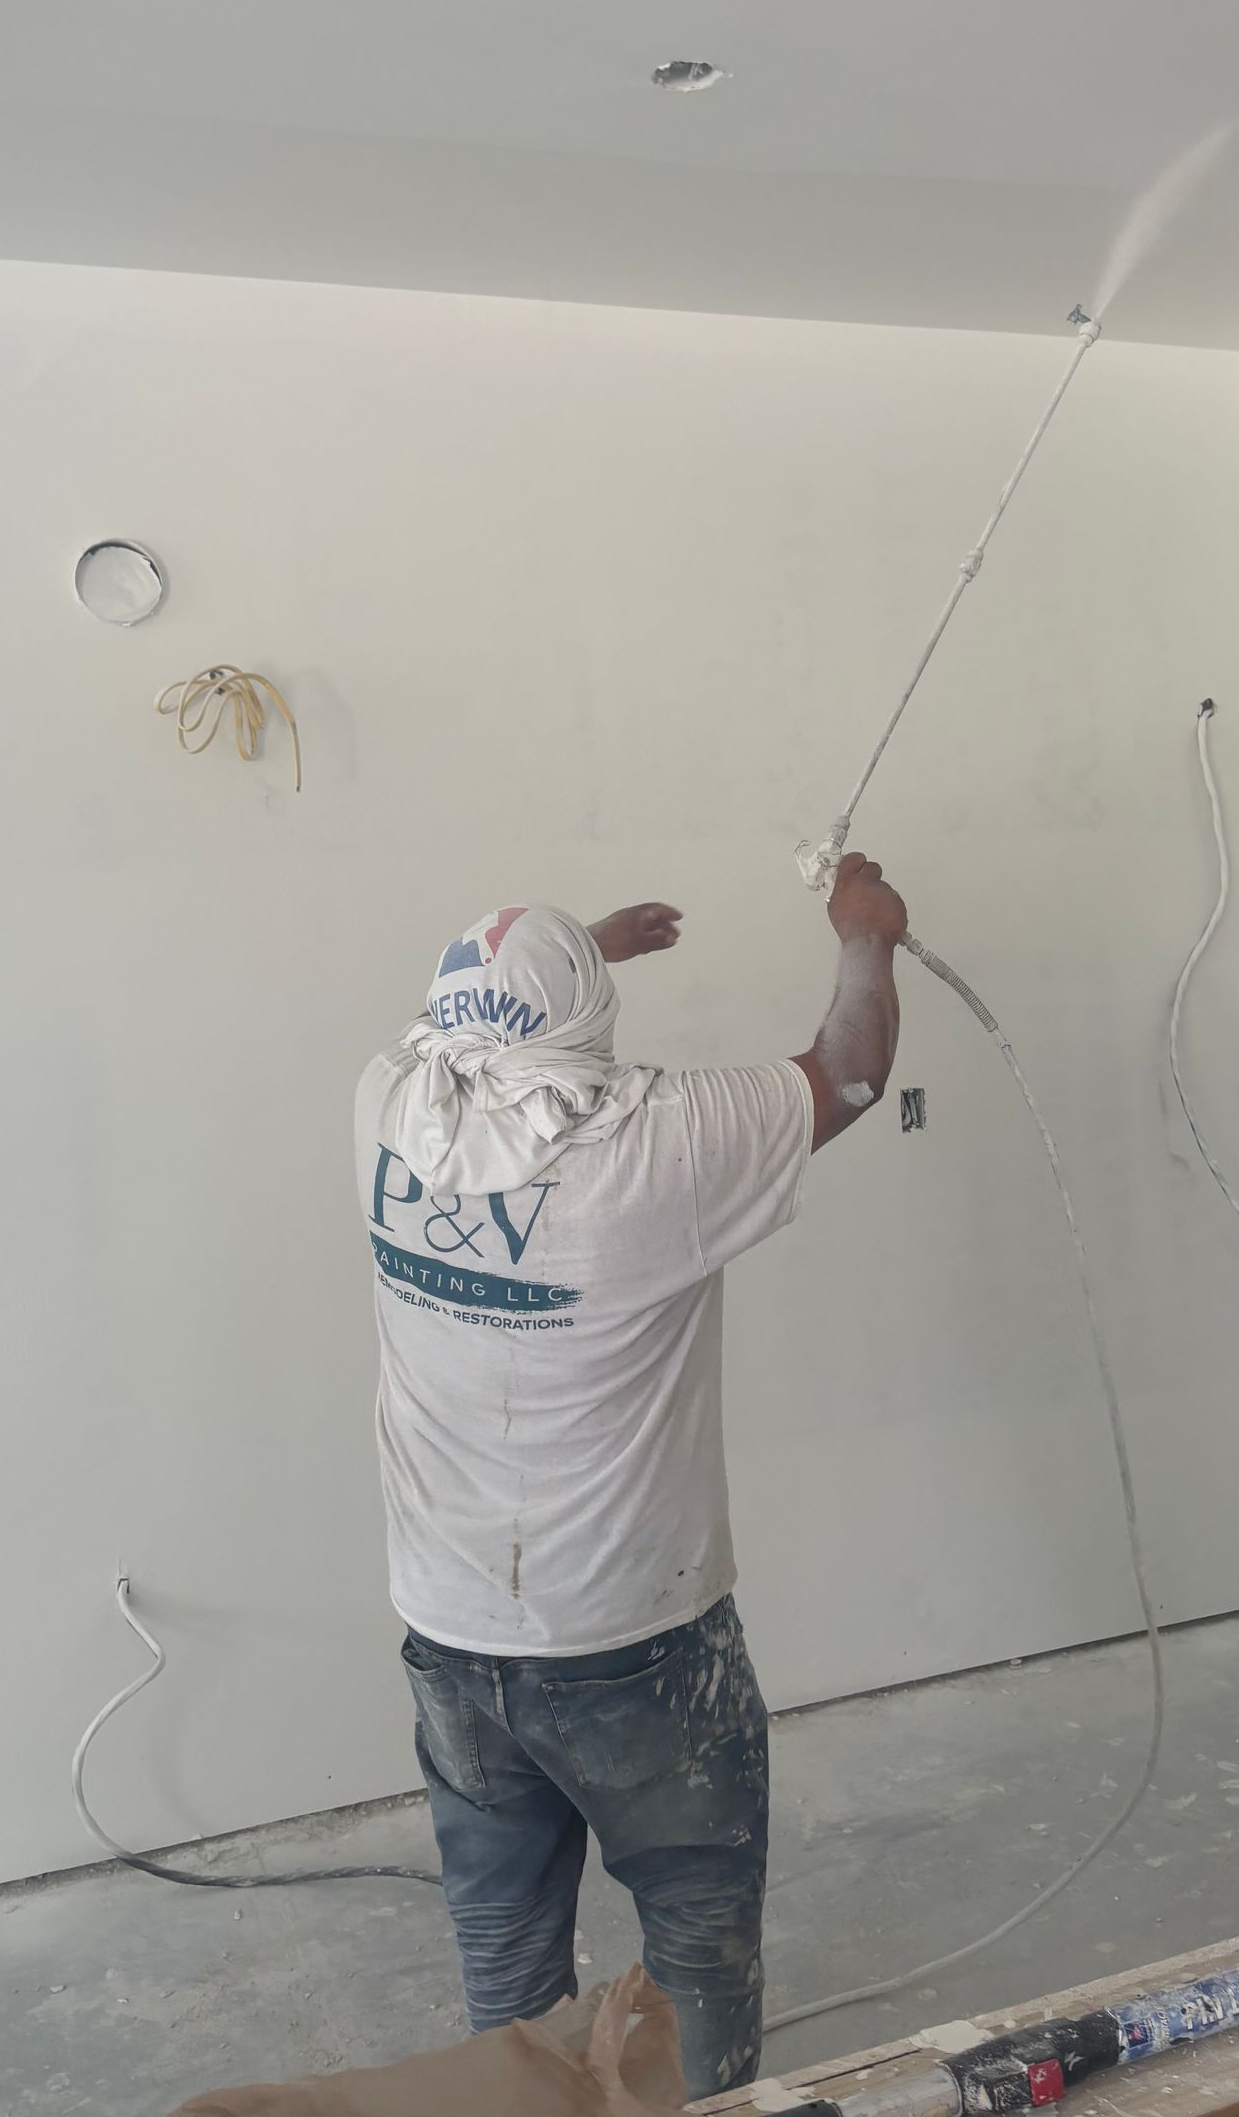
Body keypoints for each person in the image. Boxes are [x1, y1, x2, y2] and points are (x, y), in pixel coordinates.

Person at [354, 854, 907, 2100]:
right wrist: (866, 934)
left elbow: (456, 1027)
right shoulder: (655, 1145)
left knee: (504, 1943)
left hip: (450, 1626)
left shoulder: (385, 1100)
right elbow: (851, 1071)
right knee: (695, 1933)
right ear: (583, 1025)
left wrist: (576, 954)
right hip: (632, 1640)